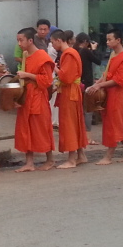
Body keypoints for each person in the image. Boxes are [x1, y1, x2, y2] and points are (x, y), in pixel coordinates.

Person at [86, 30, 123, 165]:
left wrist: (100, 85)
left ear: (118, 40)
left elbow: (121, 79)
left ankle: (108, 156)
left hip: (117, 94)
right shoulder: (113, 55)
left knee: (114, 123)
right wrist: (96, 84)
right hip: (109, 93)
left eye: (110, 39)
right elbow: (106, 73)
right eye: (107, 40)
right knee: (117, 122)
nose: (107, 42)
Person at [13, 27, 55, 172]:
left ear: (30, 40)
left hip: (38, 97)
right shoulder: (25, 55)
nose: (19, 43)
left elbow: (47, 81)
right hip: (26, 96)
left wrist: (28, 75)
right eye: (18, 40)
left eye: (21, 40)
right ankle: (29, 163)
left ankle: (50, 160)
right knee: (26, 129)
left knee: (41, 129)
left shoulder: (42, 56)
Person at [51, 30, 87, 169]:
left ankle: (71, 159)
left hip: (70, 91)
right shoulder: (71, 53)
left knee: (69, 124)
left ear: (59, 40)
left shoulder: (69, 54)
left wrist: (55, 68)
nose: (53, 45)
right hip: (72, 91)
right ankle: (81, 155)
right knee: (75, 122)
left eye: (53, 42)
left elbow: (66, 77)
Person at [75, 33, 103, 140]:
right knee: (88, 109)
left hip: (79, 82)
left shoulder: (76, 50)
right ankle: (88, 136)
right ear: (86, 42)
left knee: (81, 109)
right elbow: (98, 61)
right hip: (86, 82)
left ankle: (81, 134)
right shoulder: (85, 51)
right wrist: (94, 49)